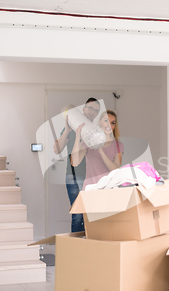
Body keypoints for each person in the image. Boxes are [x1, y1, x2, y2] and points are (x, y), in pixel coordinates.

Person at [53, 98, 100, 232]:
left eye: (96, 110)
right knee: (78, 215)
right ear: (83, 109)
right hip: (73, 176)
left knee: (91, 214)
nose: (92, 112)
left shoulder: (95, 131)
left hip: (91, 176)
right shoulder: (72, 128)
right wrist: (67, 129)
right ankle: (76, 248)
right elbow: (57, 149)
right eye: (90, 108)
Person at [71, 110, 124, 190]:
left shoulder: (118, 145)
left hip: (108, 189)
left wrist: (101, 151)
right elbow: (74, 162)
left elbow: (115, 170)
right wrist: (77, 137)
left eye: (113, 123)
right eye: (106, 121)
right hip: (90, 189)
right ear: (99, 122)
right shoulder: (88, 142)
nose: (109, 124)